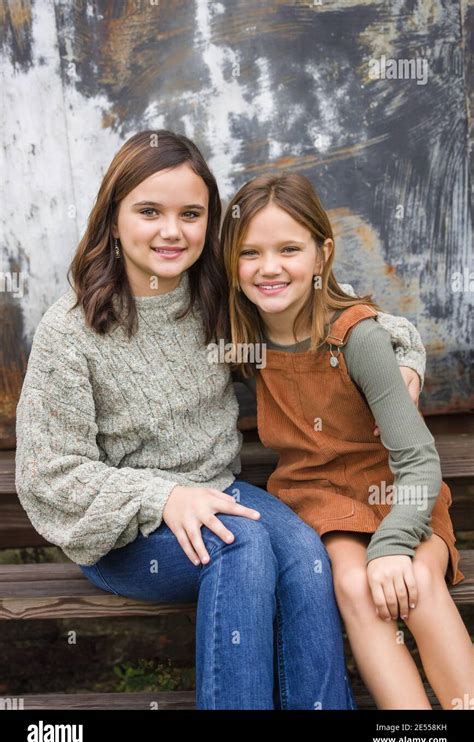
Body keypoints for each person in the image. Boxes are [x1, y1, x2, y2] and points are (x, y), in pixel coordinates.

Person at [16, 131, 425, 710]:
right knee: (243, 547)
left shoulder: (215, 299)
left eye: (191, 214)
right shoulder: (73, 332)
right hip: (123, 533)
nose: (171, 231)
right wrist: (164, 496)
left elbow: (327, 309)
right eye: (149, 212)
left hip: (222, 494)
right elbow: (48, 477)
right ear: (112, 219)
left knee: (308, 551)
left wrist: (402, 351)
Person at [220, 170, 473, 710]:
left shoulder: (357, 337)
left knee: (416, 584)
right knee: (356, 587)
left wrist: (392, 545)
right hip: (322, 503)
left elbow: (420, 462)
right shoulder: (242, 337)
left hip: (402, 497)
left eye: (289, 249)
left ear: (322, 253)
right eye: (250, 253)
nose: (269, 268)